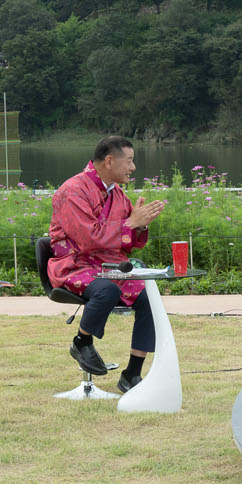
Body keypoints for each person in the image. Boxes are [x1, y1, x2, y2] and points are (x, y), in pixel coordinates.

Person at [48, 136, 168, 394]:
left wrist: (141, 225)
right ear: (110, 161)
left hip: (109, 265)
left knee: (149, 295)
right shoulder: (73, 190)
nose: (133, 167)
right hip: (74, 264)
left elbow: (129, 243)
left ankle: (132, 374)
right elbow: (88, 239)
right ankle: (82, 342)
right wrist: (131, 223)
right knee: (107, 290)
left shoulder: (118, 195)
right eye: (129, 161)